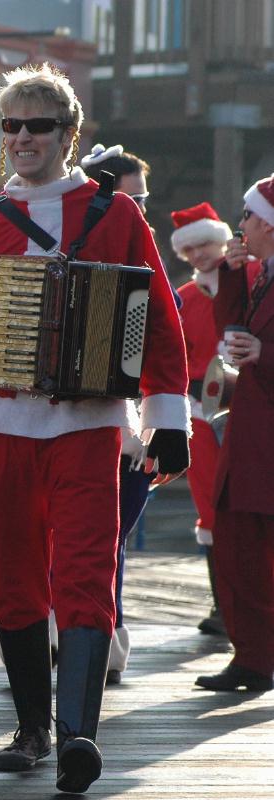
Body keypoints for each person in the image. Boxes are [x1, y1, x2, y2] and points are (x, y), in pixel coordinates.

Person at [0, 63, 189, 793]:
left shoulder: (116, 215)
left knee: (87, 574)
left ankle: (76, 736)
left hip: (90, 426)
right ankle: (32, 728)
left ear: (69, 134)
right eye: (11, 126)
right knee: (15, 579)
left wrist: (167, 417)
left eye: (38, 125)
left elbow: (155, 318)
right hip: (1, 425)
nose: (22, 138)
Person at [80, 143, 159, 684]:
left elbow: (166, 340)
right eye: (130, 198)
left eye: (143, 199)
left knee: (110, 539)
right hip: (56, 426)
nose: (139, 211)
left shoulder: (145, 257)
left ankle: (101, 638)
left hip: (127, 428)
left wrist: (161, 423)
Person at [194, 174, 274, 693]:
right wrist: (227, 269)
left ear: (268, 223)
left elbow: (252, 348)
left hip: (263, 435)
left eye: (247, 217)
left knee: (254, 548)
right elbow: (231, 336)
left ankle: (256, 656)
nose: (240, 225)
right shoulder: (260, 273)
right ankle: (252, 656)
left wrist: (265, 356)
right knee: (237, 544)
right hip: (251, 431)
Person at [167, 202, 239, 636]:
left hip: (249, 408)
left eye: (205, 244)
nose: (199, 255)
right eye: (189, 250)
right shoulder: (183, 299)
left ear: (223, 239)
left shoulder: (252, 283)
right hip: (198, 410)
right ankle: (221, 605)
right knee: (209, 504)